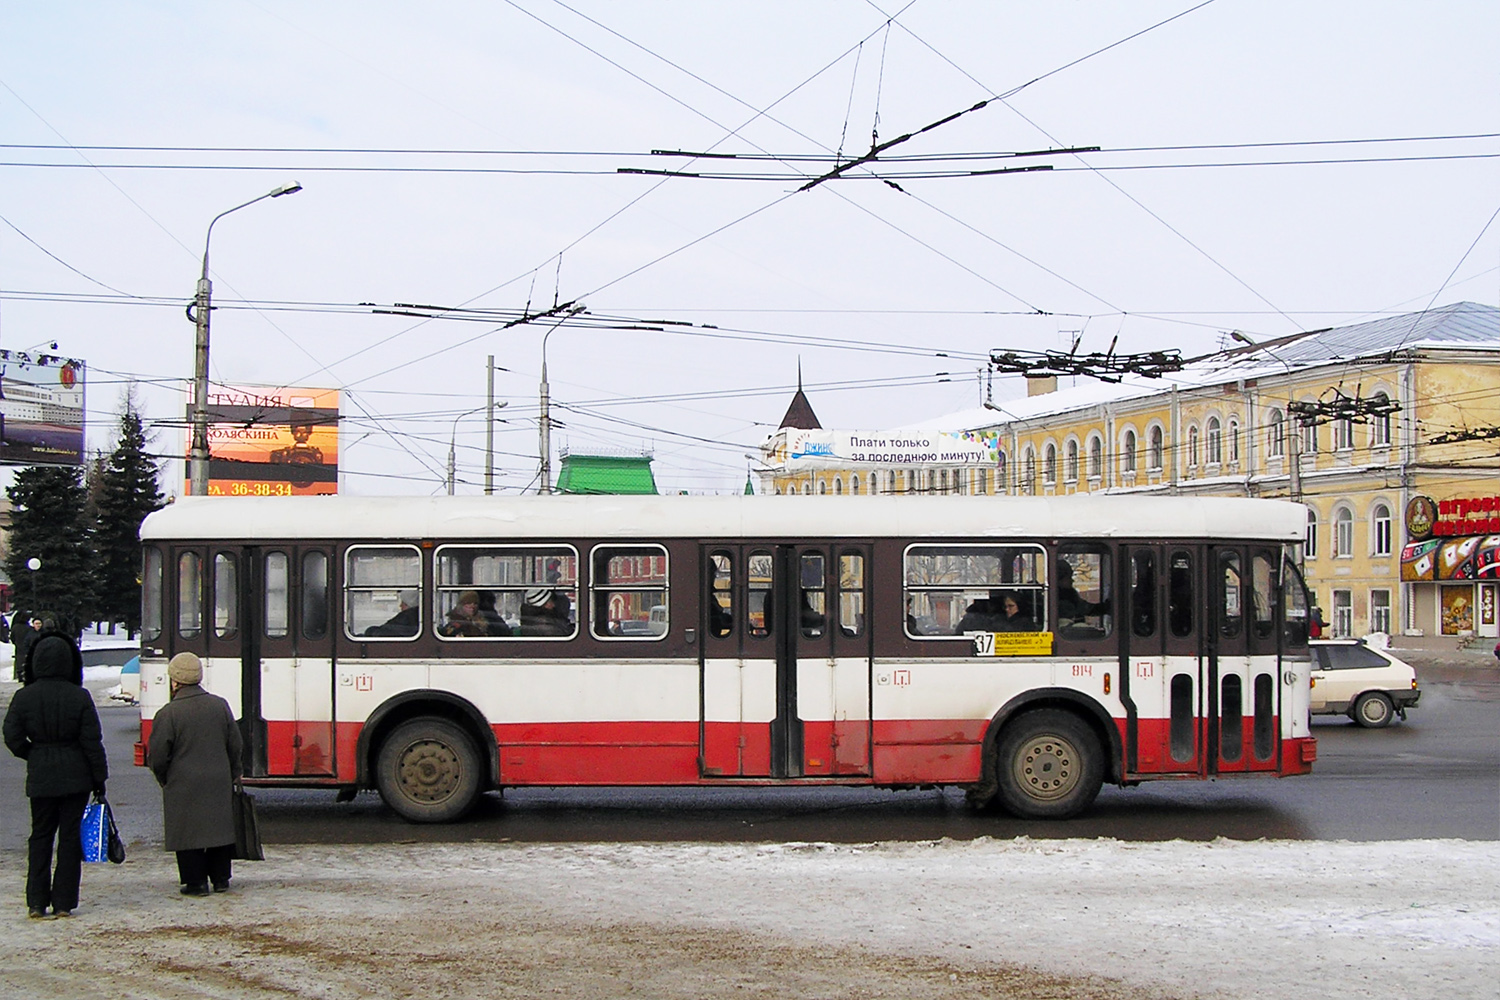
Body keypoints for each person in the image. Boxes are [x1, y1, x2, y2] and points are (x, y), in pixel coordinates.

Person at [3, 634, 107, 919]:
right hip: (77, 776)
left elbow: (11, 735)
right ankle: (63, 902)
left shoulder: (25, 696)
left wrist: (32, 754)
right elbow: (92, 742)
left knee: (40, 836)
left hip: (41, 775)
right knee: (70, 839)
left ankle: (36, 902)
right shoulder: (80, 696)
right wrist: (100, 779)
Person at [148, 652, 244, 897]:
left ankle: (195, 882)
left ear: (175, 681)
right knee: (218, 828)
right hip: (218, 777)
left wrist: (164, 778)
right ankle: (221, 879)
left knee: (187, 832)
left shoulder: (168, 713)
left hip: (183, 781)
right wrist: (233, 771)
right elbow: (235, 743)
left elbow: (158, 756)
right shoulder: (219, 705)